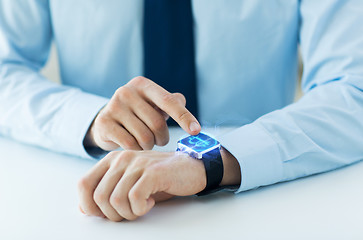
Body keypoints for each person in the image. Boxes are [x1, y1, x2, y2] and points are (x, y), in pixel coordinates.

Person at [1, 0, 363, 222]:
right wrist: (91, 119)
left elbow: (354, 88)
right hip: (87, 200)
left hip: (268, 202)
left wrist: (216, 161)